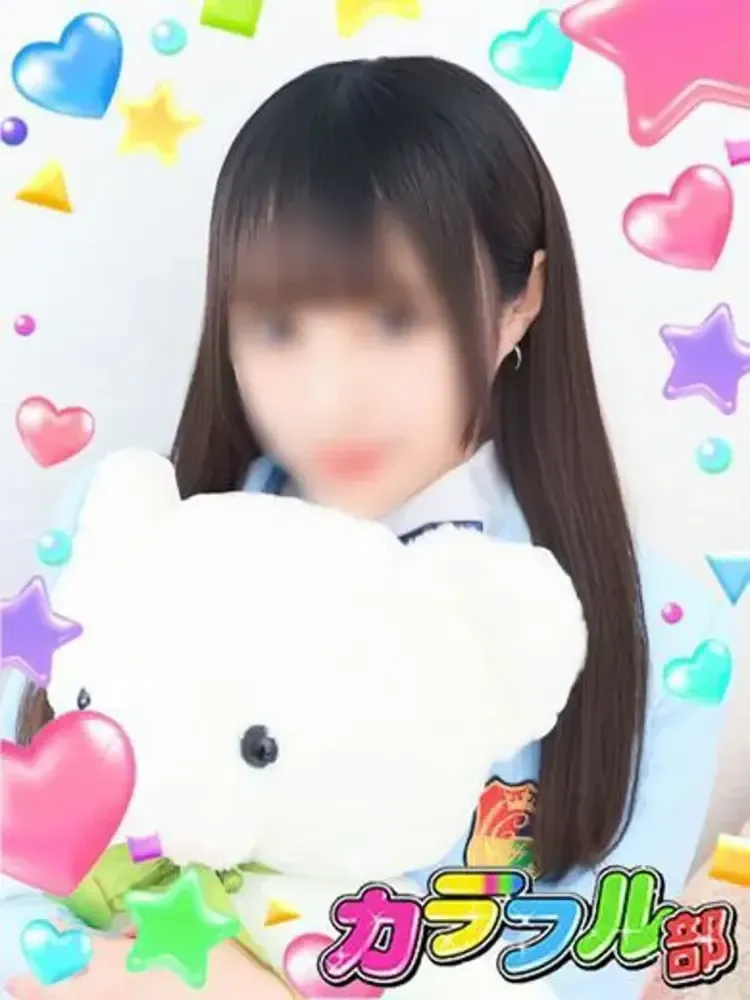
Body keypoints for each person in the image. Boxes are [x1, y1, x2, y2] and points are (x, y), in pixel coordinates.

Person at [0, 56, 731, 1000]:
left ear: (521, 299)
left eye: (395, 321)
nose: (330, 394)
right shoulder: (134, 541)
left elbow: (598, 966)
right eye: (278, 327)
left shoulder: (656, 627)